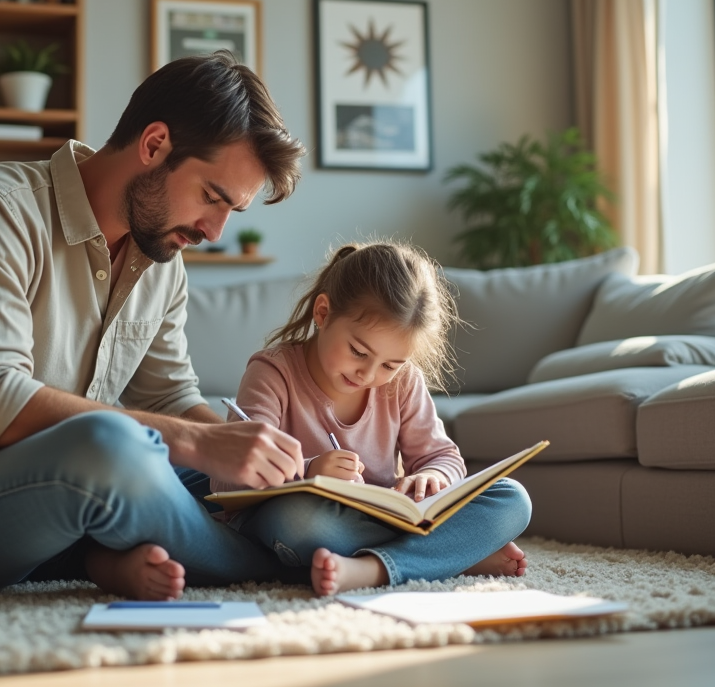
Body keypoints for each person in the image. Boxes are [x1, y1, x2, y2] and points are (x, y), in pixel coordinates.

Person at [0, 52, 309, 601]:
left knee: (283, 492)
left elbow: (169, 395)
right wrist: (199, 442)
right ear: (154, 145)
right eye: (211, 197)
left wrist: (244, 452)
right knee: (112, 449)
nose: (214, 231)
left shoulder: (161, 261)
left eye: (231, 213)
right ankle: (273, 568)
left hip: (61, 487)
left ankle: (134, 548)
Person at [213, 241, 533, 596]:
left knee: (512, 498)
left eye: (390, 365)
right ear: (323, 313)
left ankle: (373, 568)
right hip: (304, 520)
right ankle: (450, 553)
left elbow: (443, 458)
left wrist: (432, 475)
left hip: (378, 517)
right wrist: (308, 470)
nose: (367, 373)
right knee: (298, 521)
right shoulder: (273, 372)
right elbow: (227, 481)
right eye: (358, 352)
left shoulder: (403, 382)